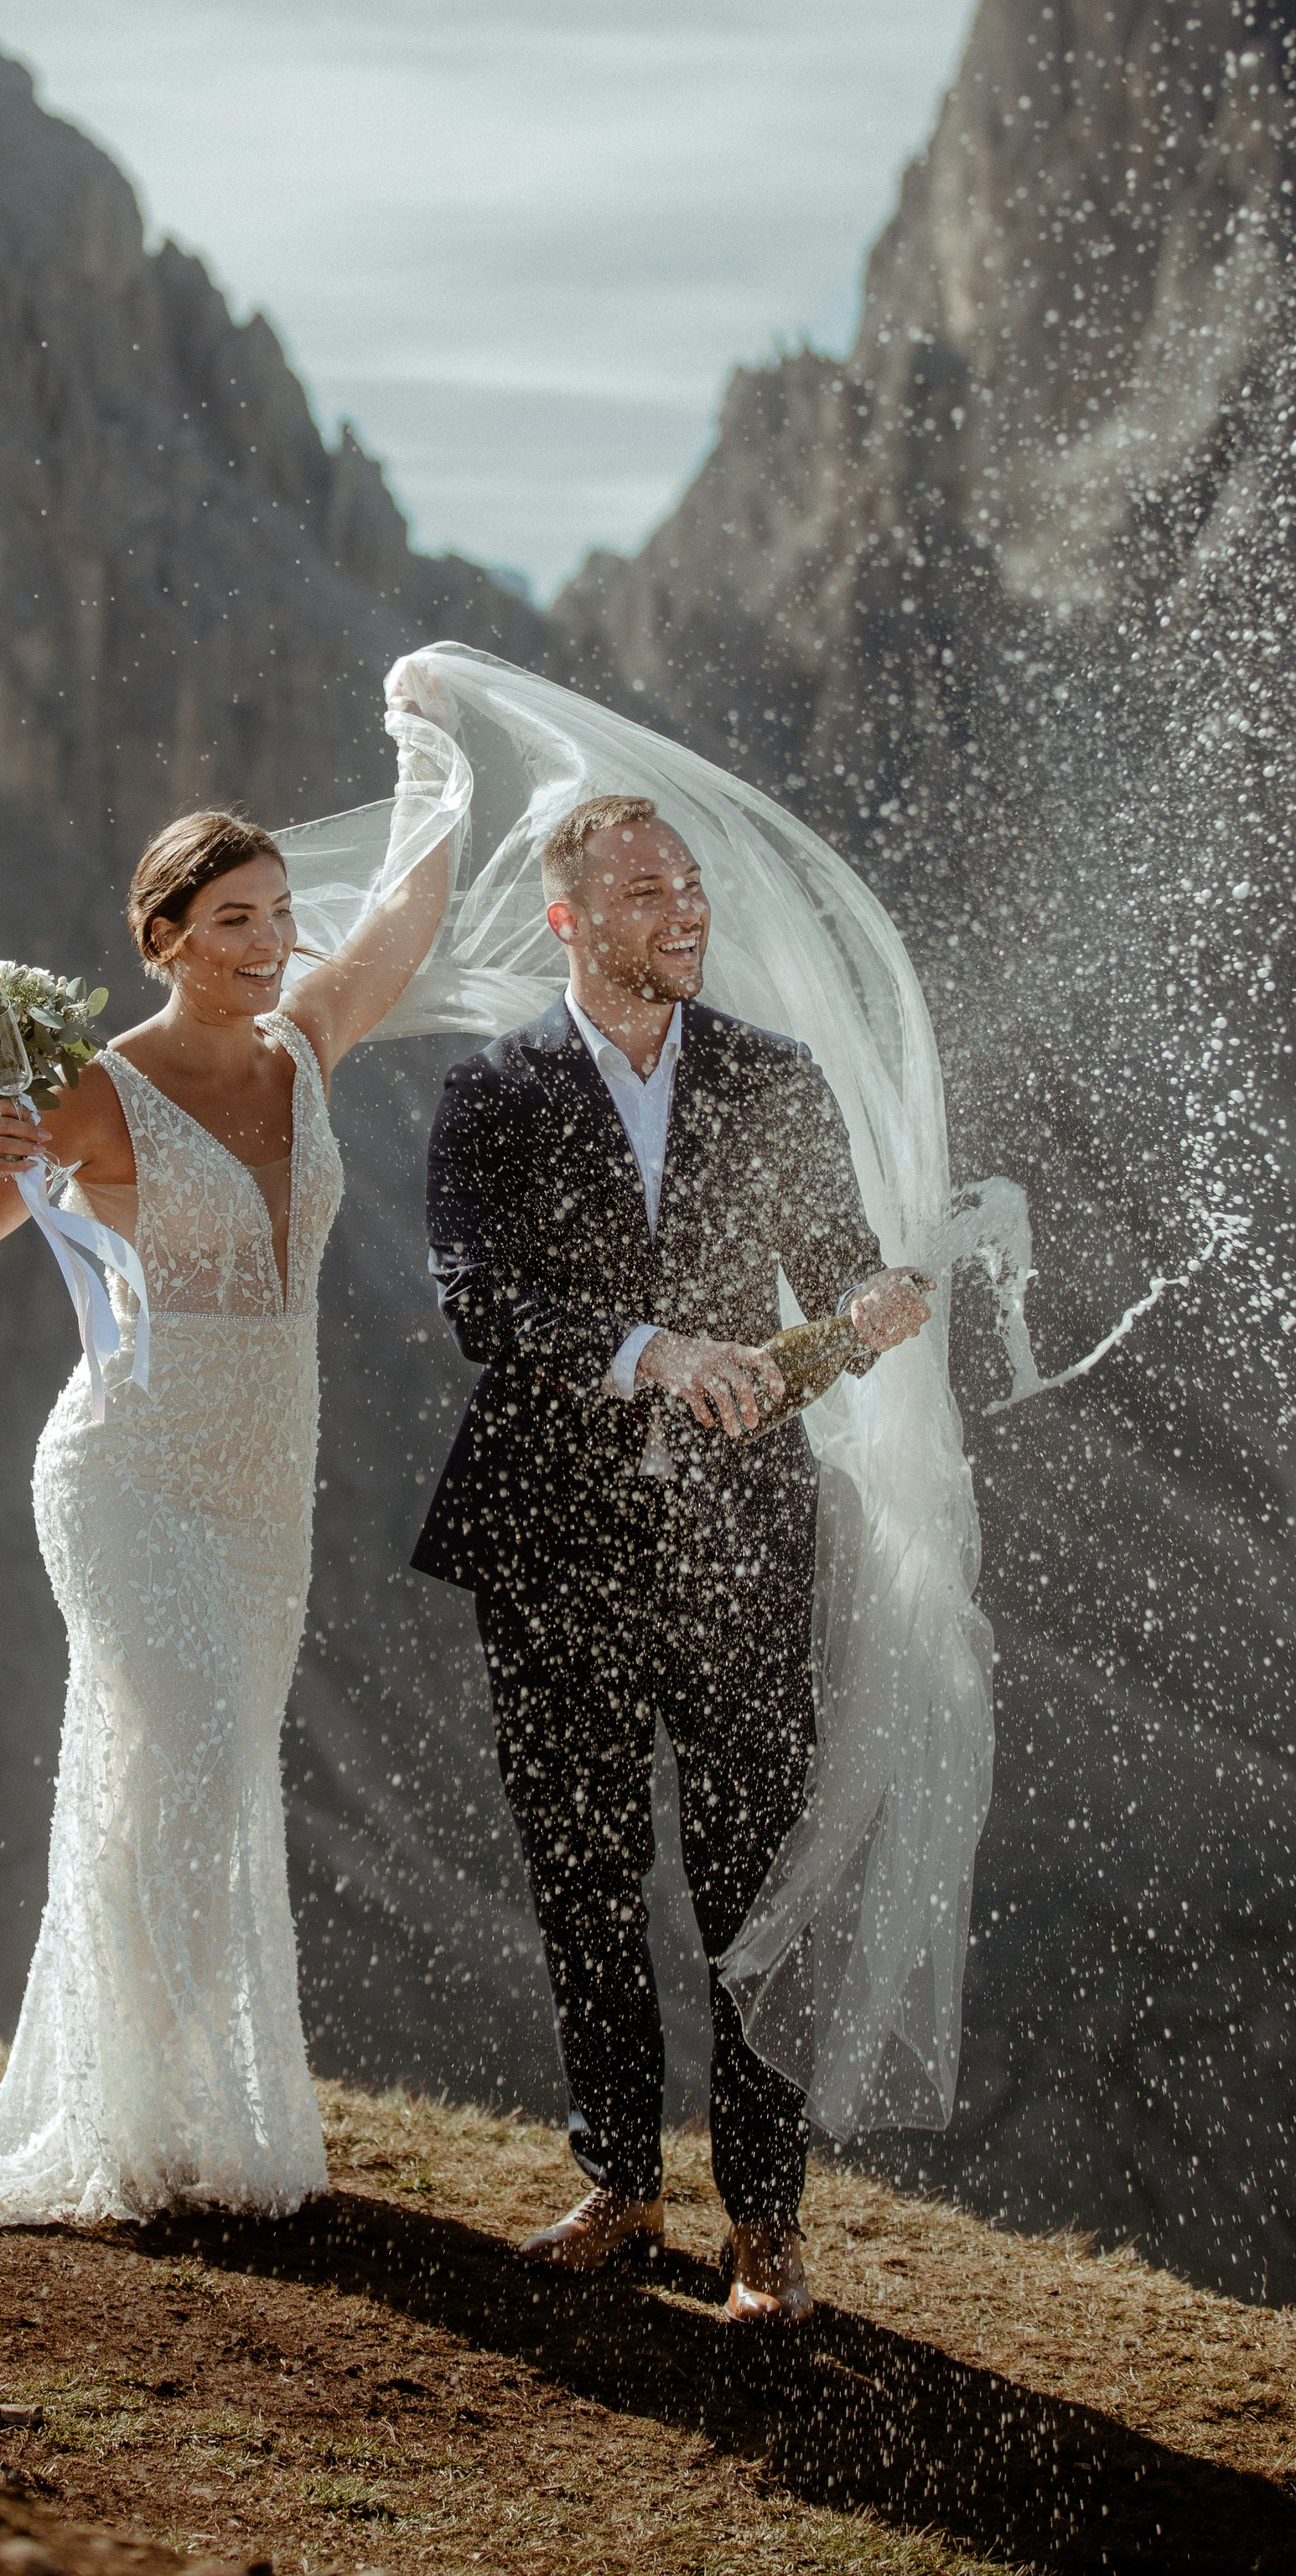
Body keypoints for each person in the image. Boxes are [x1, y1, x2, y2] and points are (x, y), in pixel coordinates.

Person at [0, 665, 463, 2226]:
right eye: (234, 921)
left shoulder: (308, 1043)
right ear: (162, 940)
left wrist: (429, 760)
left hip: (265, 1479)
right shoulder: (94, 1089)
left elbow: (405, 922)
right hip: (129, 1470)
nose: (273, 942)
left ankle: (167, 2123)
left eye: (283, 913)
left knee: (191, 1788)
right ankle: (127, 2132)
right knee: (193, 1758)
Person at [416, 793, 931, 2320]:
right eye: (646, 891)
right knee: (580, 1869)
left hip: (743, 1544)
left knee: (752, 1881)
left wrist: (873, 1307)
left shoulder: (779, 1078)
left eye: (692, 887)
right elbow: (479, 1302)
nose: (685, 912)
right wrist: (650, 1351)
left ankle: (764, 2227)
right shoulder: (489, 1092)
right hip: (550, 1543)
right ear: (568, 919)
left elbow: (833, 1289)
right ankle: (622, 2183)